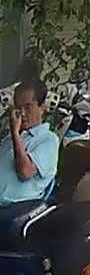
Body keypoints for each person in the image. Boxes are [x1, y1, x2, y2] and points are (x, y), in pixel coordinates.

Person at [0, 78, 58, 210]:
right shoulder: (10, 139)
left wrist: (15, 133)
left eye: (28, 107)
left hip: (14, 209)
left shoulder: (48, 139)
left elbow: (25, 172)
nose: (22, 113)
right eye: (18, 108)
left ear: (42, 108)